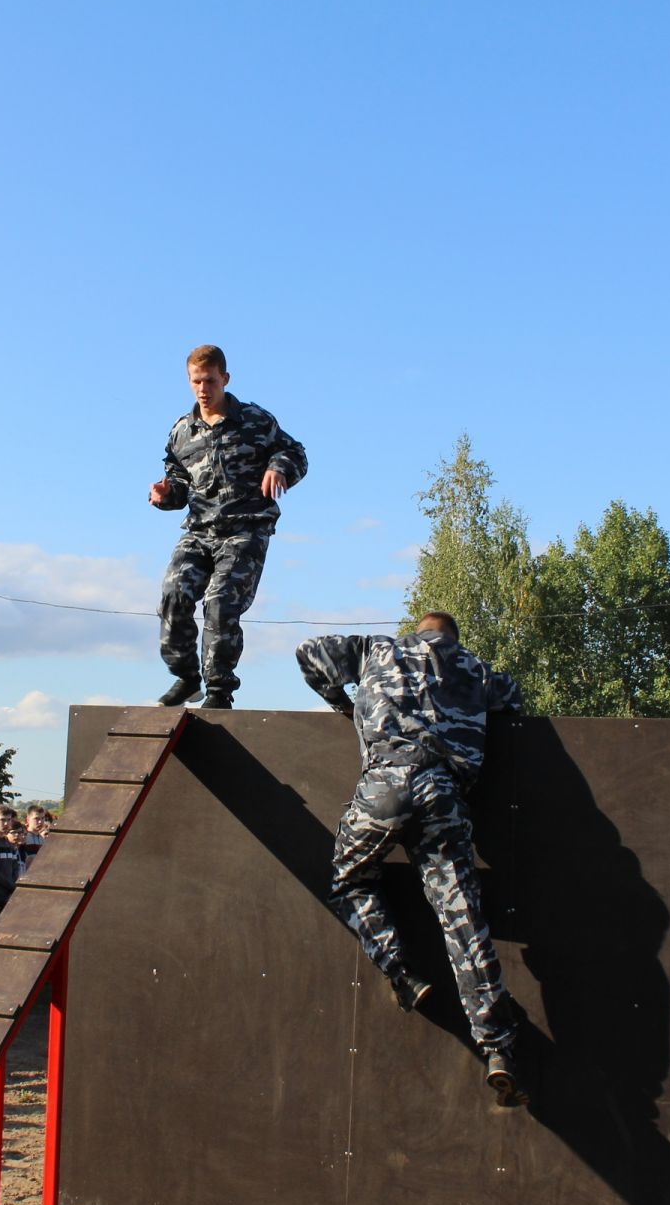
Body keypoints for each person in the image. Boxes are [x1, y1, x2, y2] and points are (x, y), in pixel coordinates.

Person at [297, 610, 528, 1106]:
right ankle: (498, 1046)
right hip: (443, 791)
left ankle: (403, 974)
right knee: (461, 914)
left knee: (348, 880)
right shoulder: (475, 668)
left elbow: (309, 654)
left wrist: (342, 704)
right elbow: (514, 702)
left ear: (418, 629)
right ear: (453, 637)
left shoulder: (379, 648)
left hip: (385, 785)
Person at [149, 343, 307, 709]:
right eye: (195, 382)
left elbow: (295, 453)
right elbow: (178, 484)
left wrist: (277, 467)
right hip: (200, 531)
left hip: (245, 530)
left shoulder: (254, 420)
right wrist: (164, 495)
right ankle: (187, 678)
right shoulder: (181, 433)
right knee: (174, 593)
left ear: (225, 379)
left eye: (209, 381)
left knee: (220, 603)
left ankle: (219, 691)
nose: (203, 389)